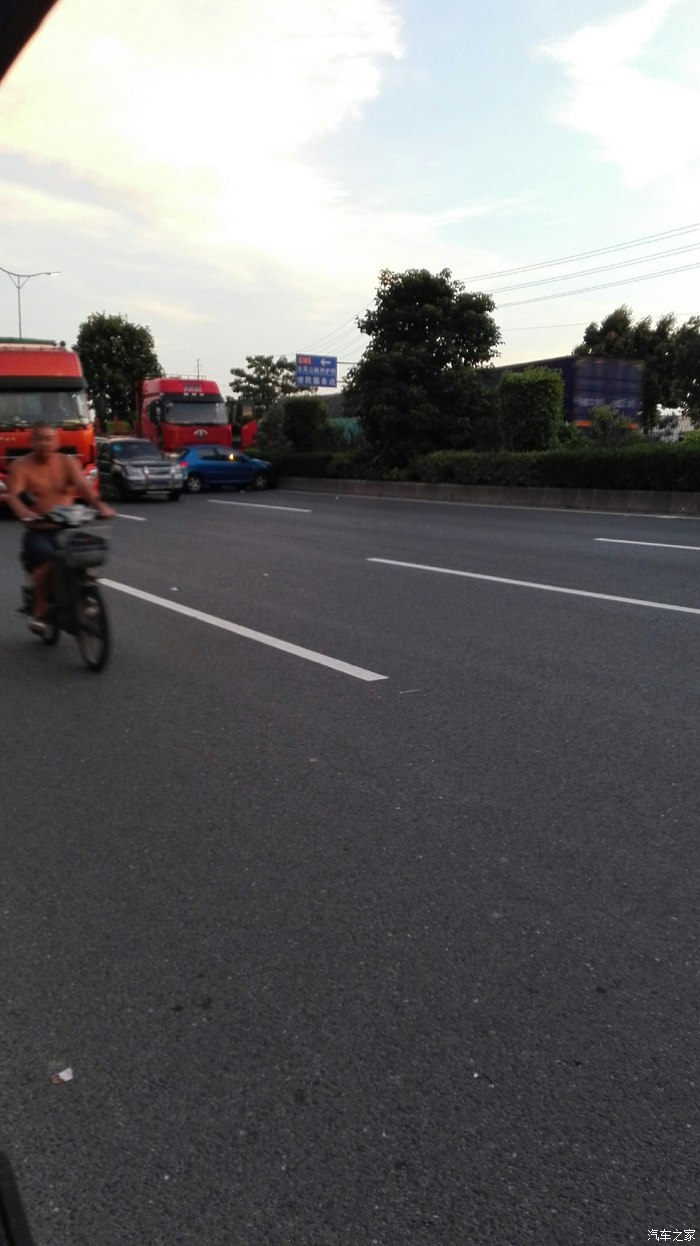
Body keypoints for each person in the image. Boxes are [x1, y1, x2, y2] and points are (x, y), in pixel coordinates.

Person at [7, 422, 114, 633]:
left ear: (57, 441)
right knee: (48, 561)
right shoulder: (21, 466)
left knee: (90, 555)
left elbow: (83, 487)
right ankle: (38, 611)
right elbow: (15, 496)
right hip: (40, 530)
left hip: (69, 528)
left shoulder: (67, 462)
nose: (45, 443)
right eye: (40, 439)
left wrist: (99, 506)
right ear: (31, 442)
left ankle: (86, 597)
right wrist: (25, 514)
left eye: (49, 439)